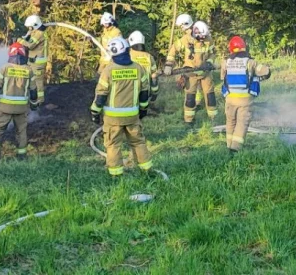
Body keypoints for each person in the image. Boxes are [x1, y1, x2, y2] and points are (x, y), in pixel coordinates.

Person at [91, 36, 153, 177]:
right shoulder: (139, 69)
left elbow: (101, 95)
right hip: (132, 116)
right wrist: (143, 110)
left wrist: (94, 113)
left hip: (113, 119)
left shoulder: (108, 71)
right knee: (138, 142)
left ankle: (116, 176)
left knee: (113, 146)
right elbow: (144, 93)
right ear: (126, 49)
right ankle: (146, 171)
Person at [0, 42, 38, 161]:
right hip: (21, 109)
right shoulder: (28, 70)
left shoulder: (4, 68)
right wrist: (34, 105)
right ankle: (21, 156)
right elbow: (34, 91)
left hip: (4, 108)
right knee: (21, 132)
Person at [220, 35, 271, 155]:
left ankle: (229, 145)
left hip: (229, 99)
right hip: (245, 100)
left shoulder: (225, 62)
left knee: (230, 121)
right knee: (242, 123)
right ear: (244, 48)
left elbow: (223, 78)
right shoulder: (250, 62)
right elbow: (265, 71)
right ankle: (235, 148)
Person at [166, 19, 217, 126]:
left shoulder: (209, 40)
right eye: (201, 37)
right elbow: (173, 50)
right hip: (191, 73)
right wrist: (168, 65)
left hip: (205, 73)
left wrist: (209, 61)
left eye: (204, 36)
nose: (203, 39)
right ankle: (189, 121)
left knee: (210, 96)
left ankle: (213, 119)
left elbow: (213, 53)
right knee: (190, 98)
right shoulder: (186, 40)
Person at [19, 14, 49, 106]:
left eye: (30, 27)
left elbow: (29, 45)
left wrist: (19, 41)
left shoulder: (39, 34)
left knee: (37, 82)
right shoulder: (36, 32)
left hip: (37, 63)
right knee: (31, 81)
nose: (29, 29)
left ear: (35, 25)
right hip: (33, 62)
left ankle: (39, 101)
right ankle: (32, 99)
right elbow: (28, 39)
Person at [127, 31, 159, 102]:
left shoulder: (127, 56)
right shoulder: (149, 57)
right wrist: (155, 92)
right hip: (145, 92)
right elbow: (154, 76)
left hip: (129, 92)